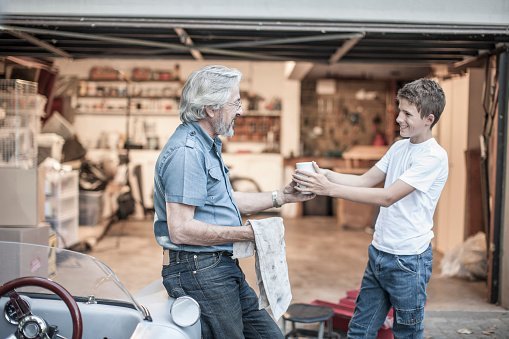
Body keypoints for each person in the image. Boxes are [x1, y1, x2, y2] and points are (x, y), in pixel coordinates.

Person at [153, 65, 313, 339]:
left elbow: (225, 202)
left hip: (219, 265)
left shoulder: (207, 145)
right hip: (199, 269)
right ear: (211, 108)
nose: (241, 110)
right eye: (235, 102)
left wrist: (282, 197)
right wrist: (247, 234)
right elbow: (180, 229)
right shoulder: (187, 153)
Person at [293, 78, 448, 338]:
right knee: (359, 330)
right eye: (400, 110)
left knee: (407, 332)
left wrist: (328, 190)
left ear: (428, 119)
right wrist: (326, 174)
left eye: (407, 113)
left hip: (408, 260)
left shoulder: (433, 157)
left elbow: (387, 197)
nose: (399, 118)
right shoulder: (399, 148)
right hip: (379, 253)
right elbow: (365, 180)